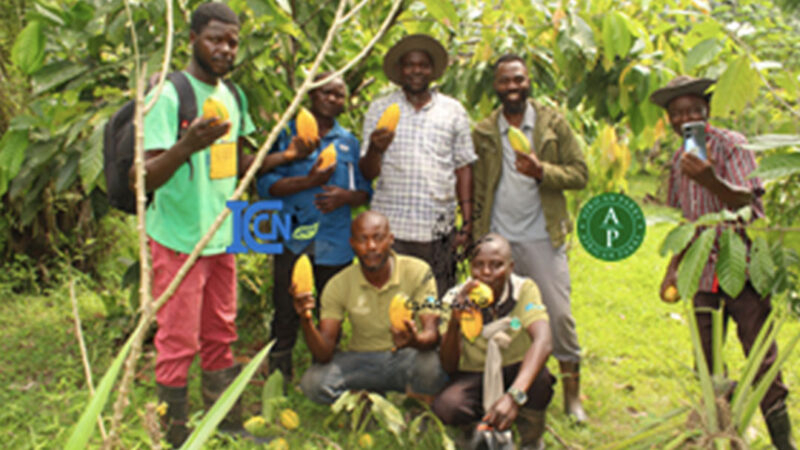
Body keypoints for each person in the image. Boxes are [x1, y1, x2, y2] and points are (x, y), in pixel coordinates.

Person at [134, 3, 300, 446]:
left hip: (222, 235)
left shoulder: (234, 96)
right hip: (178, 239)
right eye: (215, 39)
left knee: (220, 333)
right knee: (177, 339)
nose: (226, 49)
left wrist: (285, 156)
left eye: (232, 42)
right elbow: (144, 175)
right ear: (191, 39)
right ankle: (173, 434)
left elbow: (231, 165)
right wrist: (187, 144)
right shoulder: (168, 95)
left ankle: (225, 424)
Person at [651, 75, 793, 449]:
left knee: (761, 359)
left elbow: (750, 203)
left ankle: (784, 443)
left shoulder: (732, 146)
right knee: (708, 363)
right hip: (701, 275)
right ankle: (721, 434)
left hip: (742, 267)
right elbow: (683, 221)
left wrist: (711, 180)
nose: (686, 119)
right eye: (678, 114)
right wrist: (674, 266)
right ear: (670, 120)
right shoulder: (676, 161)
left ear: (706, 112)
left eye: (694, 111)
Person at [471, 54, 589, 423]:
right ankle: (507, 384)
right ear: (496, 85)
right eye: (505, 81)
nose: (512, 87)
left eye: (518, 80)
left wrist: (542, 171)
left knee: (559, 315)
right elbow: (475, 185)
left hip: (541, 234)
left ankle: (572, 394)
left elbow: (580, 173)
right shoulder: (485, 131)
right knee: (499, 315)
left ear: (528, 81)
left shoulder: (552, 124)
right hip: (497, 237)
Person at [257, 72, 371, 380]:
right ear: (311, 96)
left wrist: (345, 196)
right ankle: (278, 378)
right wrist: (308, 182)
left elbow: (364, 191)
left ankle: (324, 375)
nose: (333, 99)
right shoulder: (287, 135)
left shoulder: (348, 141)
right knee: (286, 306)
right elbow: (265, 185)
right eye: (326, 93)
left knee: (329, 308)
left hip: (334, 240)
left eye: (339, 95)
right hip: (291, 234)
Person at [359, 34, 477, 297]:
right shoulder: (380, 109)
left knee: (438, 300)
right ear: (400, 71)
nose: (416, 71)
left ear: (432, 71)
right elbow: (367, 172)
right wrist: (376, 149)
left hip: (438, 229)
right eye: (409, 65)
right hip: (391, 229)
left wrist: (467, 224)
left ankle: (433, 340)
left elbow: (463, 167)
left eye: (423, 65)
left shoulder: (453, 110)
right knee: (390, 300)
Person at [295, 211, 448, 404]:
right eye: (362, 239)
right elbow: (324, 352)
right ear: (352, 244)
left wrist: (414, 340)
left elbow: (432, 334)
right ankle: (368, 398)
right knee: (313, 383)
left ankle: (399, 398)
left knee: (432, 367)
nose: (371, 247)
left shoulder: (419, 271)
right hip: (361, 361)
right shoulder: (338, 284)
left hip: (406, 357)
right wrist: (306, 318)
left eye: (378, 238)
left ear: (391, 239)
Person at [433, 233, 554, 449]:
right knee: (447, 406)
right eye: (479, 265)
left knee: (541, 381)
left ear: (510, 267)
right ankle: (477, 431)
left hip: (515, 368)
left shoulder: (523, 289)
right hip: (475, 373)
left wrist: (514, 396)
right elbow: (449, 366)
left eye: (496, 265)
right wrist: (454, 322)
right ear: (471, 268)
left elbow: (543, 341)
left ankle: (531, 436)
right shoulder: (454, 297)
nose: (487, 273)